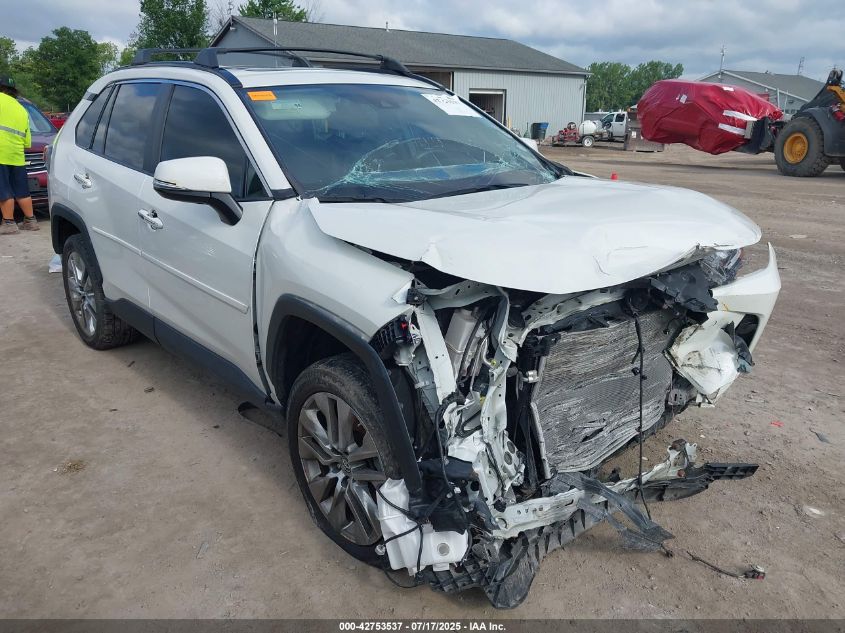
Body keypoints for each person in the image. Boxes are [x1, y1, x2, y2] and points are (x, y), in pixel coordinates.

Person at [0, 75, 38, 235]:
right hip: (17, 155)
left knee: (3, 189)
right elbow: (27, 141)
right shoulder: (21, 108)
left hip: (1, 153)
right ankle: (30, 220)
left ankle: (9, 223)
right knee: (21, 190)